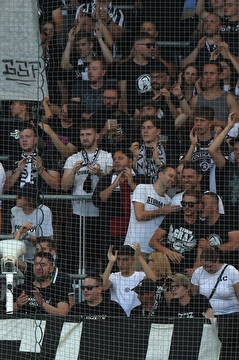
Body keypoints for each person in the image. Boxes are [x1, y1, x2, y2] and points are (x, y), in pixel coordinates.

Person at [62, 120, 113, 267]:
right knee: (78, 254)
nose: (85, 138)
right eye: (82, 135)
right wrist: (73, 172)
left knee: (99, 254)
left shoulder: (107, 157)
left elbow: (113, 183)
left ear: (97, 136)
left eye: (88, 134)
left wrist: (100, 173)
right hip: (78, 214)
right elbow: (64, 186)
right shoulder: (73, 158)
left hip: (100, 214)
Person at [190, 247, 239, 343]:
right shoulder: (198, 272)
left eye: (210, 266)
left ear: (217, 260)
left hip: (231, 316)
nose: (207, 269)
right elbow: (195, 296)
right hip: (208, 316)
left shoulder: (231, 271)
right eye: (204, 266)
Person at [124, 164, 179, 253]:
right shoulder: (142, 188)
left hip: (153, 252)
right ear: (160, 175)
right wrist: (162, 211)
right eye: (170, 176)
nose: (172, 180)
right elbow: (139, 215)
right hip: (134, 248)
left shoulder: (168, 201)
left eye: (175, 178)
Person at [102, 243, 160, 315]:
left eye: (125, 260)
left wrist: (140, 257)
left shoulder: (140, 276)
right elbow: (102, 287)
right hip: (117, 317)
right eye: (118, 260)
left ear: (133, 260)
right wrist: (111, 263)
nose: (121, 263)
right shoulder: (113, 277)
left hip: (136, 316)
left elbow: (154, 281)